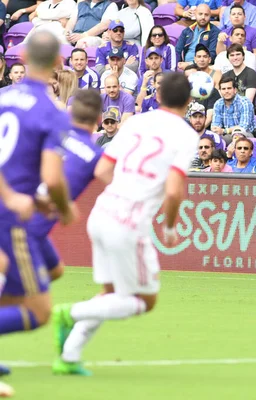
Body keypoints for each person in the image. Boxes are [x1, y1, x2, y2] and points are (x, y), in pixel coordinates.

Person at [52, 72, 199, 376]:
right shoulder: (185, 135)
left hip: (103, 210)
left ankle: (69, 355)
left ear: (157, 96)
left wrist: (126, 188)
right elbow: (174, 190)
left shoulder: (136, 122)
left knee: (111, 292)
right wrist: (169, 229)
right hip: (129, 222)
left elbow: (104, 168)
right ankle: (69, 313)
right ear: (188, 101)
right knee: (144, 300)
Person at [0, 32, 75, 395]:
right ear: (60, 63)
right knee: (39, 311)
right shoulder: (52, 112)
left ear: (24, 56)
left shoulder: (3, 98)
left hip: (6, 203)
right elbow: (51, 178)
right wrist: (63, 208)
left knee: (9, 292)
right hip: (10, 218)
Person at [28, 89, 104, 290]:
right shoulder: (96, 156)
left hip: (19, 209)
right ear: (100, 118)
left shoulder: (52, 132)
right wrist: (65, 208)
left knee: (55, 270)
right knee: (38, 311)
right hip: (29, 227)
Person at [212, 75, 256, 141]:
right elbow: (215, 126)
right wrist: (217, 130)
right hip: (227, 135)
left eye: (229, 88)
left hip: (246, 135)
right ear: (220, 91)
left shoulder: (244, 102)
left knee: (238, 137)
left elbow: (243, 127)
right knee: (213, 139)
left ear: (235, 90)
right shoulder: (218, 104)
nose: (226, 91)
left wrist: (224, 131)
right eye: (223, 89)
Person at [175, 5, 221, 69]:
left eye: (206, 15)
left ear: (210, 16)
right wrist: (178, 64)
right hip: (183, 66)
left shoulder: (215, 32)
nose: (203, 17)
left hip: (203, 67)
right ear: (195, 14)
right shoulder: (187, 31)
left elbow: (212, 55)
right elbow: (177, 51)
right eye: (200, 14)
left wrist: (191, 64)